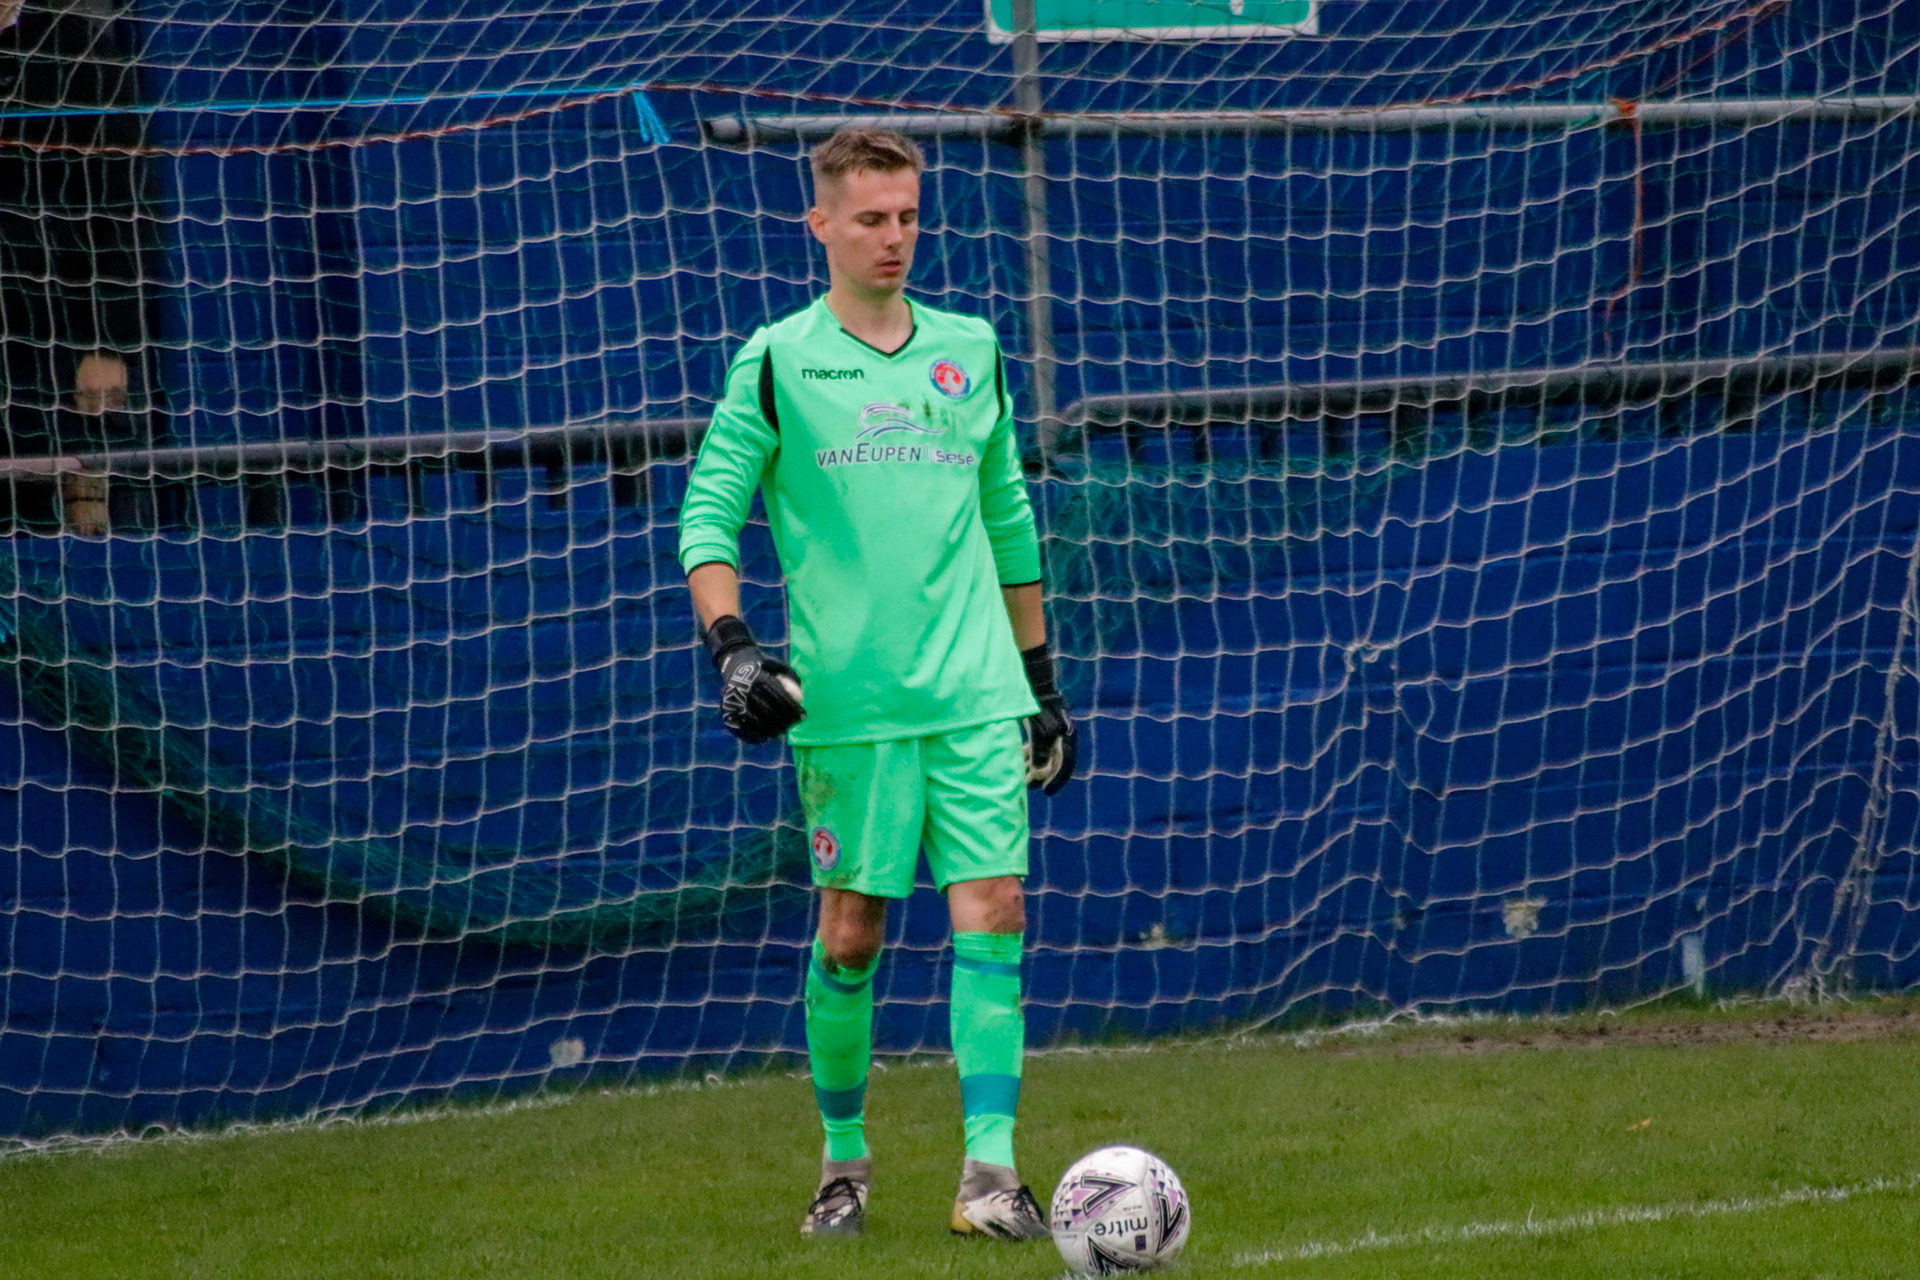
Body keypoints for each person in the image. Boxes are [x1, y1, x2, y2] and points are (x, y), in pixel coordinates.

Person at [677, 126, 1077, 1241]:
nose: (894, 237)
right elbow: (708, 514)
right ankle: (844, 1164)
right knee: (850, 934)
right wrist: (735, 648)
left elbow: (1007, 515)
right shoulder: (779, 358)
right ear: (821, 225)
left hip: (976, 692)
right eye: (870, 218)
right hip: (851, 708)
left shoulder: (970, 348)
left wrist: (1039, 679)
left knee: (995, 911)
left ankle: (991, 1177)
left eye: (907, 216)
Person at [0, 0, 150, 535]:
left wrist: (107, 341)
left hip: (48, 331)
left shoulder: (77, 53)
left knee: (71, 512)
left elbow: (117, 212)